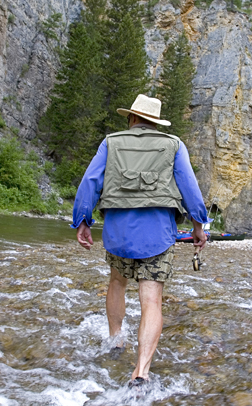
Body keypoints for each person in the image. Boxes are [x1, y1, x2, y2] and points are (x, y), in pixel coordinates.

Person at [72, 94, 208, 386]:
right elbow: (190, 188)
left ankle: (115, 341)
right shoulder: (173, 145)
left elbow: (90, 182)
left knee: (117, 282)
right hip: (157, 234)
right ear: (155, 123)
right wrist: (199, 226)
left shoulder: (111, 142)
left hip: (118, 232)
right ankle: (141, 373)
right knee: (151, 300)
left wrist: (82, 221)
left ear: (132, 118)